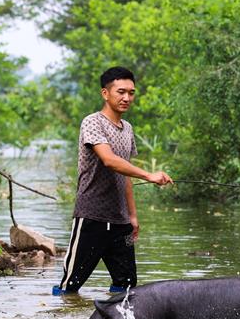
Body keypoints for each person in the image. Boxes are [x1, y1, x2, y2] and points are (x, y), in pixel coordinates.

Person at [53, 66, 172, 295]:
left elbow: (124, 172)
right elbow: (109, 160)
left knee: (126, 287)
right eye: (121, 92)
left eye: (131, 92)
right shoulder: (92, 122)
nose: (127, 97)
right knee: (70, 286)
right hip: (91, 217)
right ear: (105, 94)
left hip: (120, 222)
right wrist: (149, 175)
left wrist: (133, 216)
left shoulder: (127, 129)